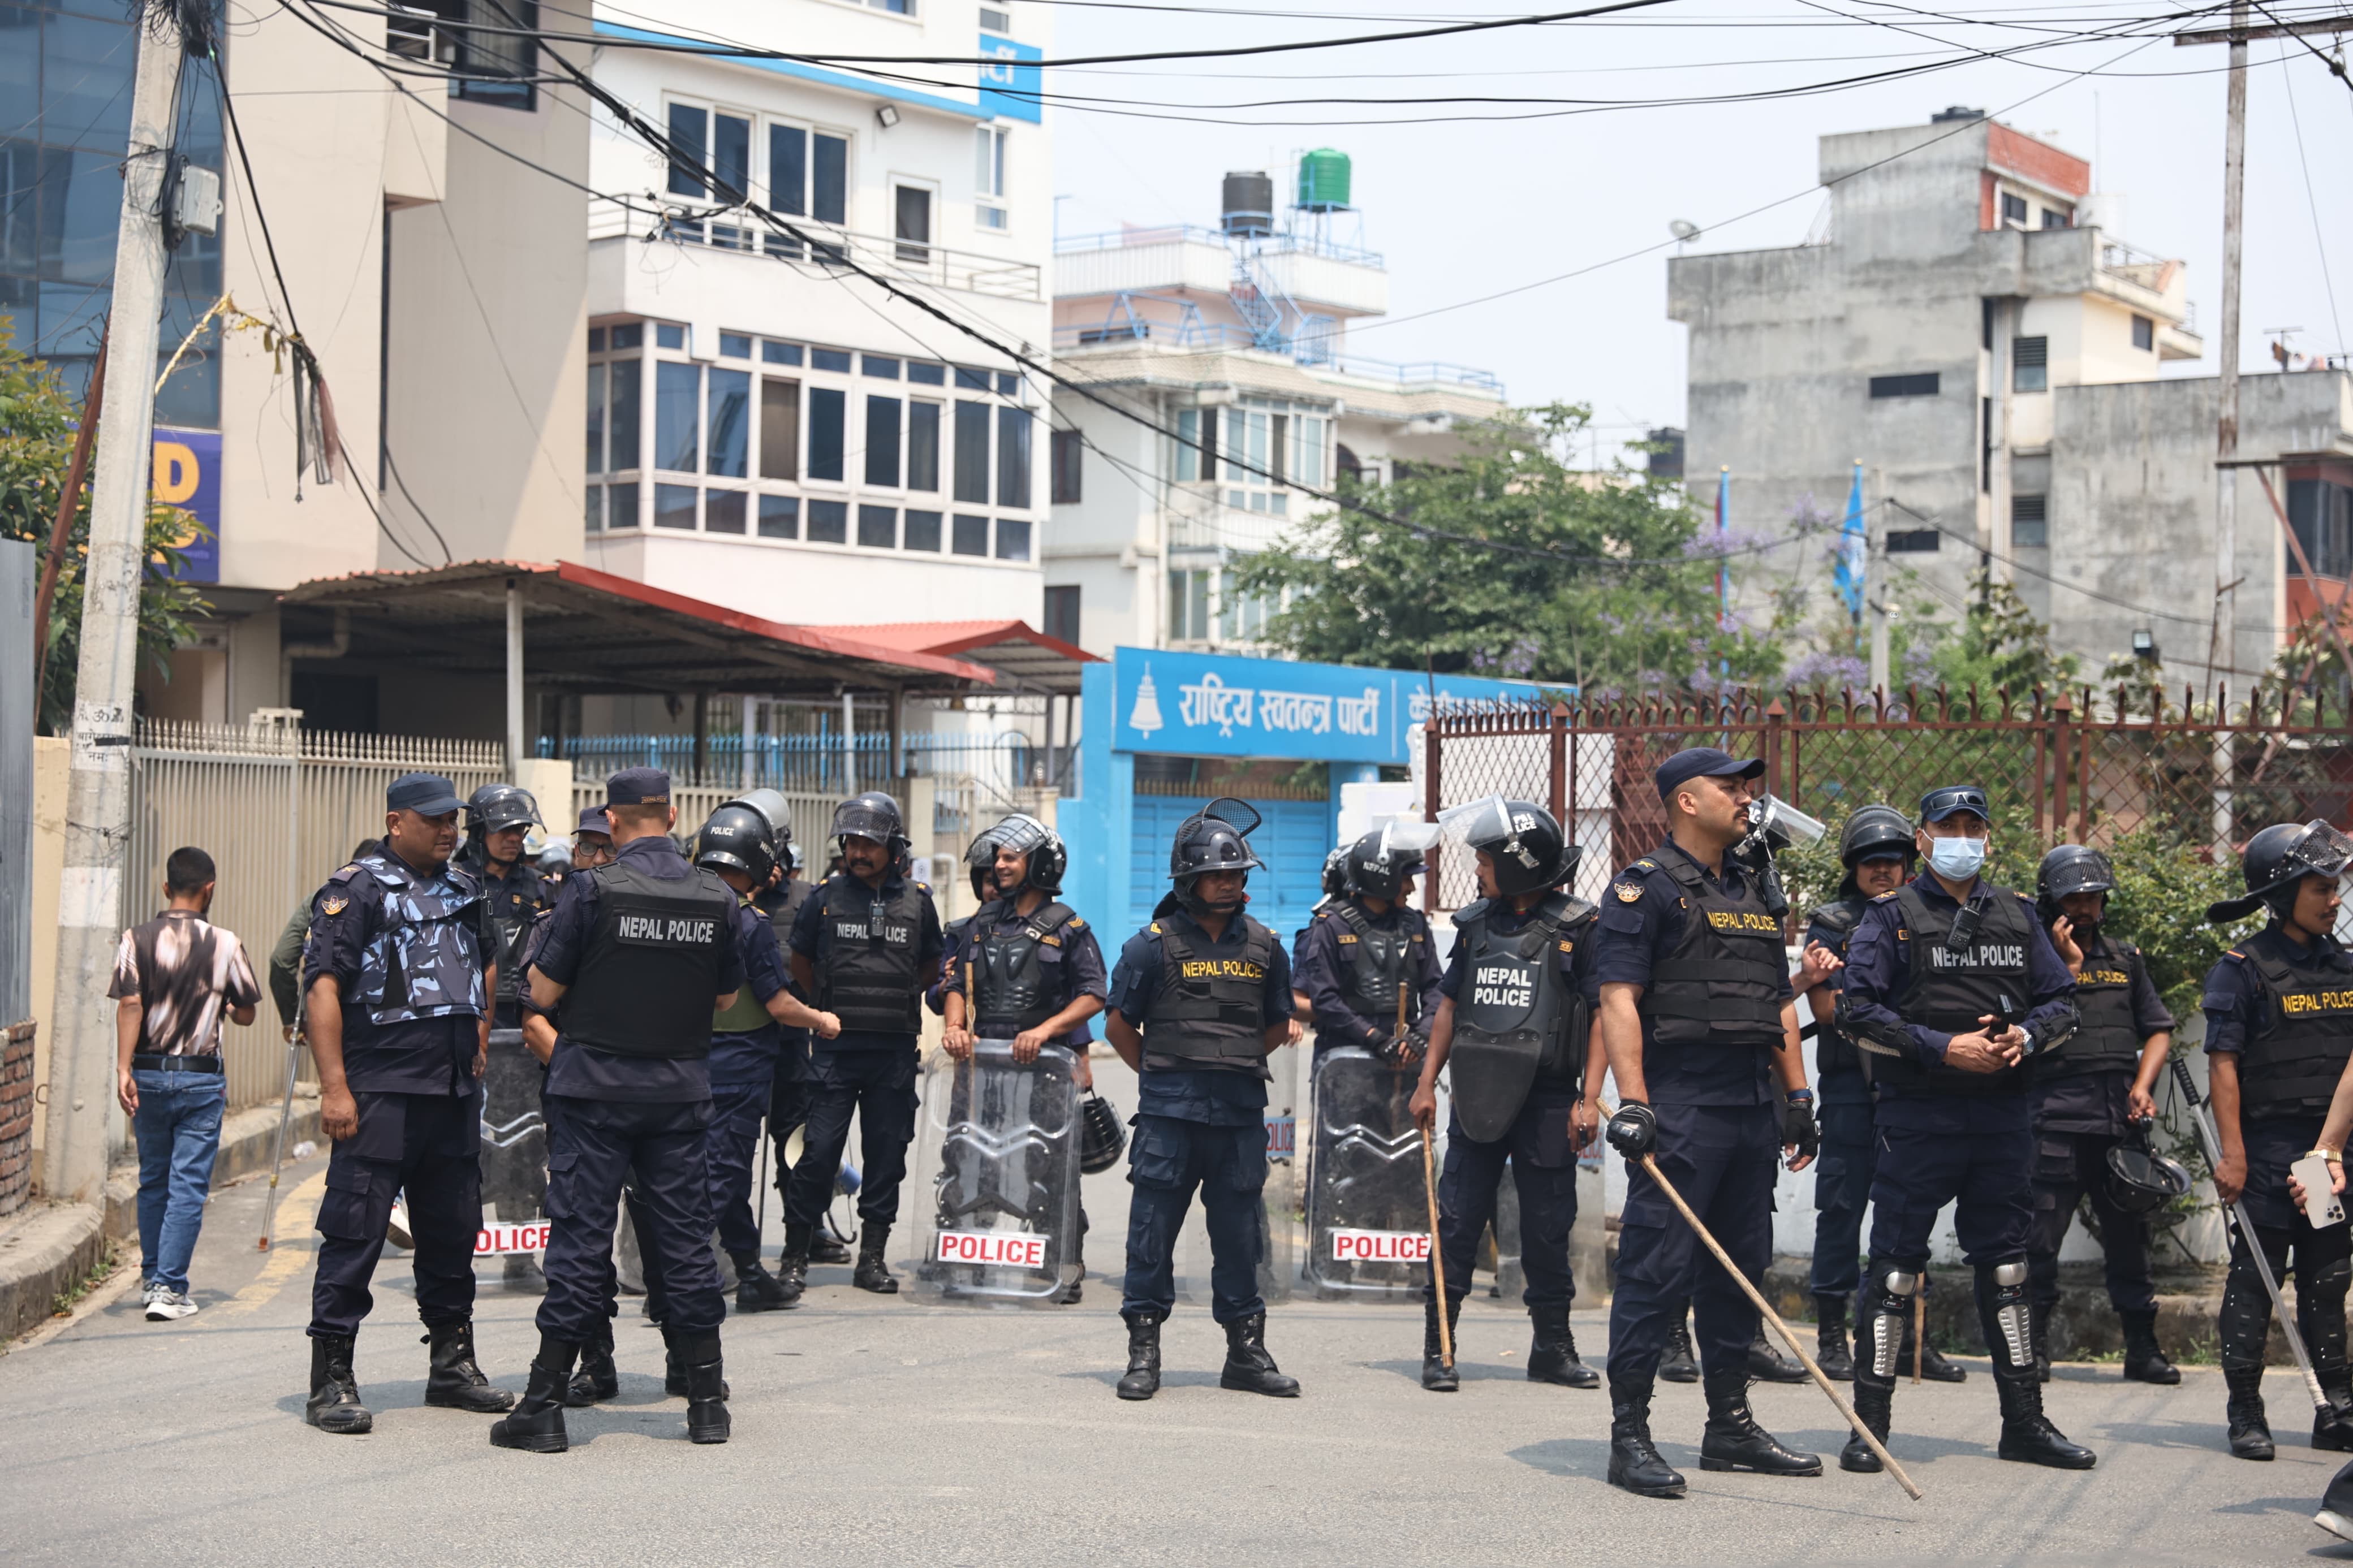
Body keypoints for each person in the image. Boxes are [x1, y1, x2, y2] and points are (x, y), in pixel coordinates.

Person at [1835, 783, 2093, 1474]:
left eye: (1970, 825)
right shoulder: (1889, 917)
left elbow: (2062, 1001)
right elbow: (1853, 1010)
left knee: (2009, 1266)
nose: (1960, 836)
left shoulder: (2018, 914)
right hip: (1918, 1115)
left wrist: (2026, 1039)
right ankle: (1871, 1426)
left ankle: (2024, 1422)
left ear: (1987, 836)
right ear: (1921, 837)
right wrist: (1940, 1045)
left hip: (2002, 1114)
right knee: (1893, 1270)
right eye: (1946, 824)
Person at [1594, 749, 1826, 1497]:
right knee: (1655, 1269)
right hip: (1683, 1098)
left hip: (1750, 1101)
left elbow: (1775, 1004)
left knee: (1741, 1266)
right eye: (1730, 787)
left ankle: (1729, 1425)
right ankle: (1630, 1433)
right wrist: (1634, 1102)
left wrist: (1797, 1097)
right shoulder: (1644, 889)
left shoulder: (1757, 889)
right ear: (1686, 802)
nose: (1745, 797)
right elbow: (1619, 998)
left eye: (1746, 787)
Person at [492, 768, 744, 1453]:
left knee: (579, 1238)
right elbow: (723, 1002)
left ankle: (542, 1406)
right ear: (671, 814)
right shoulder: (715, 895)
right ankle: (706, 1405)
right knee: (686, 1241)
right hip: (677, 1094)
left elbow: (540, 991)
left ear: (613, 817)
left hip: (594, 1092)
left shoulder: (590, 890)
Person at [299, 773, 512, 1436]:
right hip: (381, 1091)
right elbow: (322, 988)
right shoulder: (355, 888)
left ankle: (452, 1364)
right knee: (356, 1230)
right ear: (396, 822)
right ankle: (331, 1377)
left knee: (452, 1231)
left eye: (453, 819)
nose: (449, 830)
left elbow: (486, 961)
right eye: (433, 820)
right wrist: (335, 1087)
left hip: (449, 1093)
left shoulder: (465, 886)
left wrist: (478, 1035)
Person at [1104, 798, 1299, 1401]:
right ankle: (1143, 1353)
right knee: (1150, 1235)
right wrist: (1164, 1076)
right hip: (1169, 1119)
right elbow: (1117, 1026)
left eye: (1236, 874)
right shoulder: (1150, 946)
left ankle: (1245, 1353)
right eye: (1217, 874)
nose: (1228, 883)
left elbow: (1275, 1026)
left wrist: (1230, 1064)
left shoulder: (1267, 947)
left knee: (1241, 1238)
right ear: (1188, 880)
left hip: (1238, 1119)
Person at [1407, 801, 1604, 1394]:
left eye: (1485, 859)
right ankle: (1439, 1346)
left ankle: (1552, 1348)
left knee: (1547, 1227)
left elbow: (1601, 1016)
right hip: (1476, 1090)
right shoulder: (1473, 925)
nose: (1476, 869)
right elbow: (1447, 1006)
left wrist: (1589, 1098)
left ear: (1518, 865)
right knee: (1458, 1221)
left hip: (1547, 1096)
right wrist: (1424, 1082)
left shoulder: (1580, 927)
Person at [2199, 820, 2353, 1461]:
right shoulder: (2243, 969)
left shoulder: (2343, 965)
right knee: (2254, 1281)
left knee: (2326, 1277)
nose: (2334, 899)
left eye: (2337, 886)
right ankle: (2245, 1411)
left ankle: (2335, 1406)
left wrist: (2328, 1150)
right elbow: (2222, 1065)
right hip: (2264, 1150)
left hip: (2323, 1154)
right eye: (2320, 888)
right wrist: (2232, 1155)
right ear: (2282, 891)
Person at [1797, 805, 1961, 1384]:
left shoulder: (1927, 917)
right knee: (1840, 1212)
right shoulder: (1830, 920)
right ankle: (1829, 1336)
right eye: (1871, 863)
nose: (1882, 872)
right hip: (1849, 1089)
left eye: (1892, 862)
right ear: (1852, 866)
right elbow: (1824, 1007)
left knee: (1910, 1215)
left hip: (1912, 1088)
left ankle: (1913, 1337)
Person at [2027, 844, 2180, 1385]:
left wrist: (2144, 1085)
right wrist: (2062, 965)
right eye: (2075, 897)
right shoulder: (2032, 961)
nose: (2086, 908)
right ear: (2051, 900)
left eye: (2093, 897)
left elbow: (2158, 1029)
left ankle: (2142, 1348)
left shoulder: (2126, 960)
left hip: (2120, 1125)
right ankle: (2035, 1347)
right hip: (2055, 1123)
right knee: (2039, 1241)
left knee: (2129, 1242)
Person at [941, 814, 1109, 1302]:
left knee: (1051, 1165)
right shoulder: (983, 921)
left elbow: (1094, 994)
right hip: (983, 1071)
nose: (999, 865)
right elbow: (956, 984)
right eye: (998, 857)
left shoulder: (1070, 926)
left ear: (1038, 863)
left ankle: (1062, 1263)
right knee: (972, 1159)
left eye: (1010, 857)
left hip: (1045, 1072)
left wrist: (1046, 1031)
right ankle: (967, 1256)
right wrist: (954, 1026)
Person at [784, 792, 945, 1297]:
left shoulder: (918, 900)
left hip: (893, 1054)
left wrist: (897, 1000)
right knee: (818, 1153)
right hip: (835, 1050)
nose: (857, 852)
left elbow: (930, 965)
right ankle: (794, 1254)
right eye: (851, 842)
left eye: (868, 843)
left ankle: (872, 1257)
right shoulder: (824, 897)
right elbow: (801, 961)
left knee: (886, 1156)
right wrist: (823, 1006)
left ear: (894, 846)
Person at [693, 804, 843, 1314]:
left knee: (711, 1175)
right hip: (737, 1069)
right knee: (723, 1177)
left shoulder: (681, 907)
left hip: (682, 1062)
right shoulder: (748, 921)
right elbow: (779, 1003)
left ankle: (751, 1273)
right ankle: (684, 1280)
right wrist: (822, 1019)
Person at [112, 846, 262, 1321]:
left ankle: (154, 1275)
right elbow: (246, 1012)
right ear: (210, 888)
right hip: (200, 1081)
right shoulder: (226, 943)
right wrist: (220, 1004)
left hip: (148, 1074)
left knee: (154, 1178)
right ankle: (169, 1288)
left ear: (166, 888)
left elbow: (130, 1004)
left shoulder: (136, 938)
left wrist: (122, 1069)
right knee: (188, 1185)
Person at [459, 783, 553, 1292]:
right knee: (469, 1147)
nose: (514, 837)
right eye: (504, 829)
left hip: (522, 1030)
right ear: (479, 832)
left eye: (520, 829)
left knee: (524, 1143)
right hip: (466, 1026)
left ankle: (520, 1255)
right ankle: (454, 1254)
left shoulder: (538, 886)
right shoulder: (453, 881)